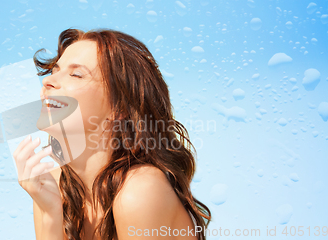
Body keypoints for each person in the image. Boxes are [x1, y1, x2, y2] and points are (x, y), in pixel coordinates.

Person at [13, 28, 211, 240]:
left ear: (119, 109)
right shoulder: (53, 186)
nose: (47, 82)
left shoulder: (140, 190)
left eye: (76, 74)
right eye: (55, 70)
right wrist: (51, 215)